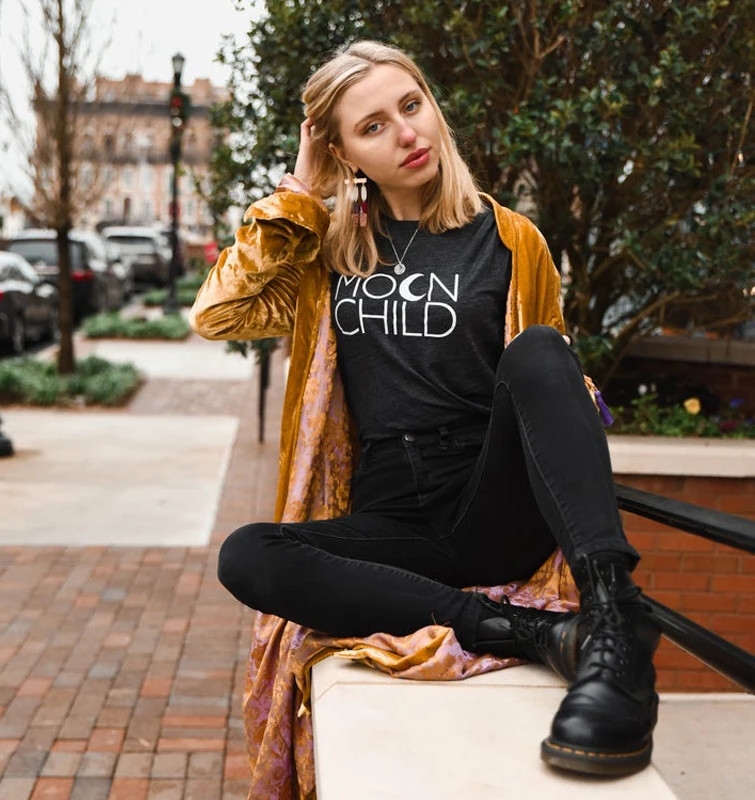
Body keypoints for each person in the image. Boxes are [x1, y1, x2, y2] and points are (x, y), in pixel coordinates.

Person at [191, 40, 661, 778]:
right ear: (343, 153)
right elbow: (219, 314)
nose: (407, 133)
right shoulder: (326, 252)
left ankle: (613, 622)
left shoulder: (511, 240)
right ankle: (527, 634)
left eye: (411, 106)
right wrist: (298, 198)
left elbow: (548, 386)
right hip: (392, 522)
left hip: (492, 505)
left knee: (542, 349)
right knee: (247, 554)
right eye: (372, 126)